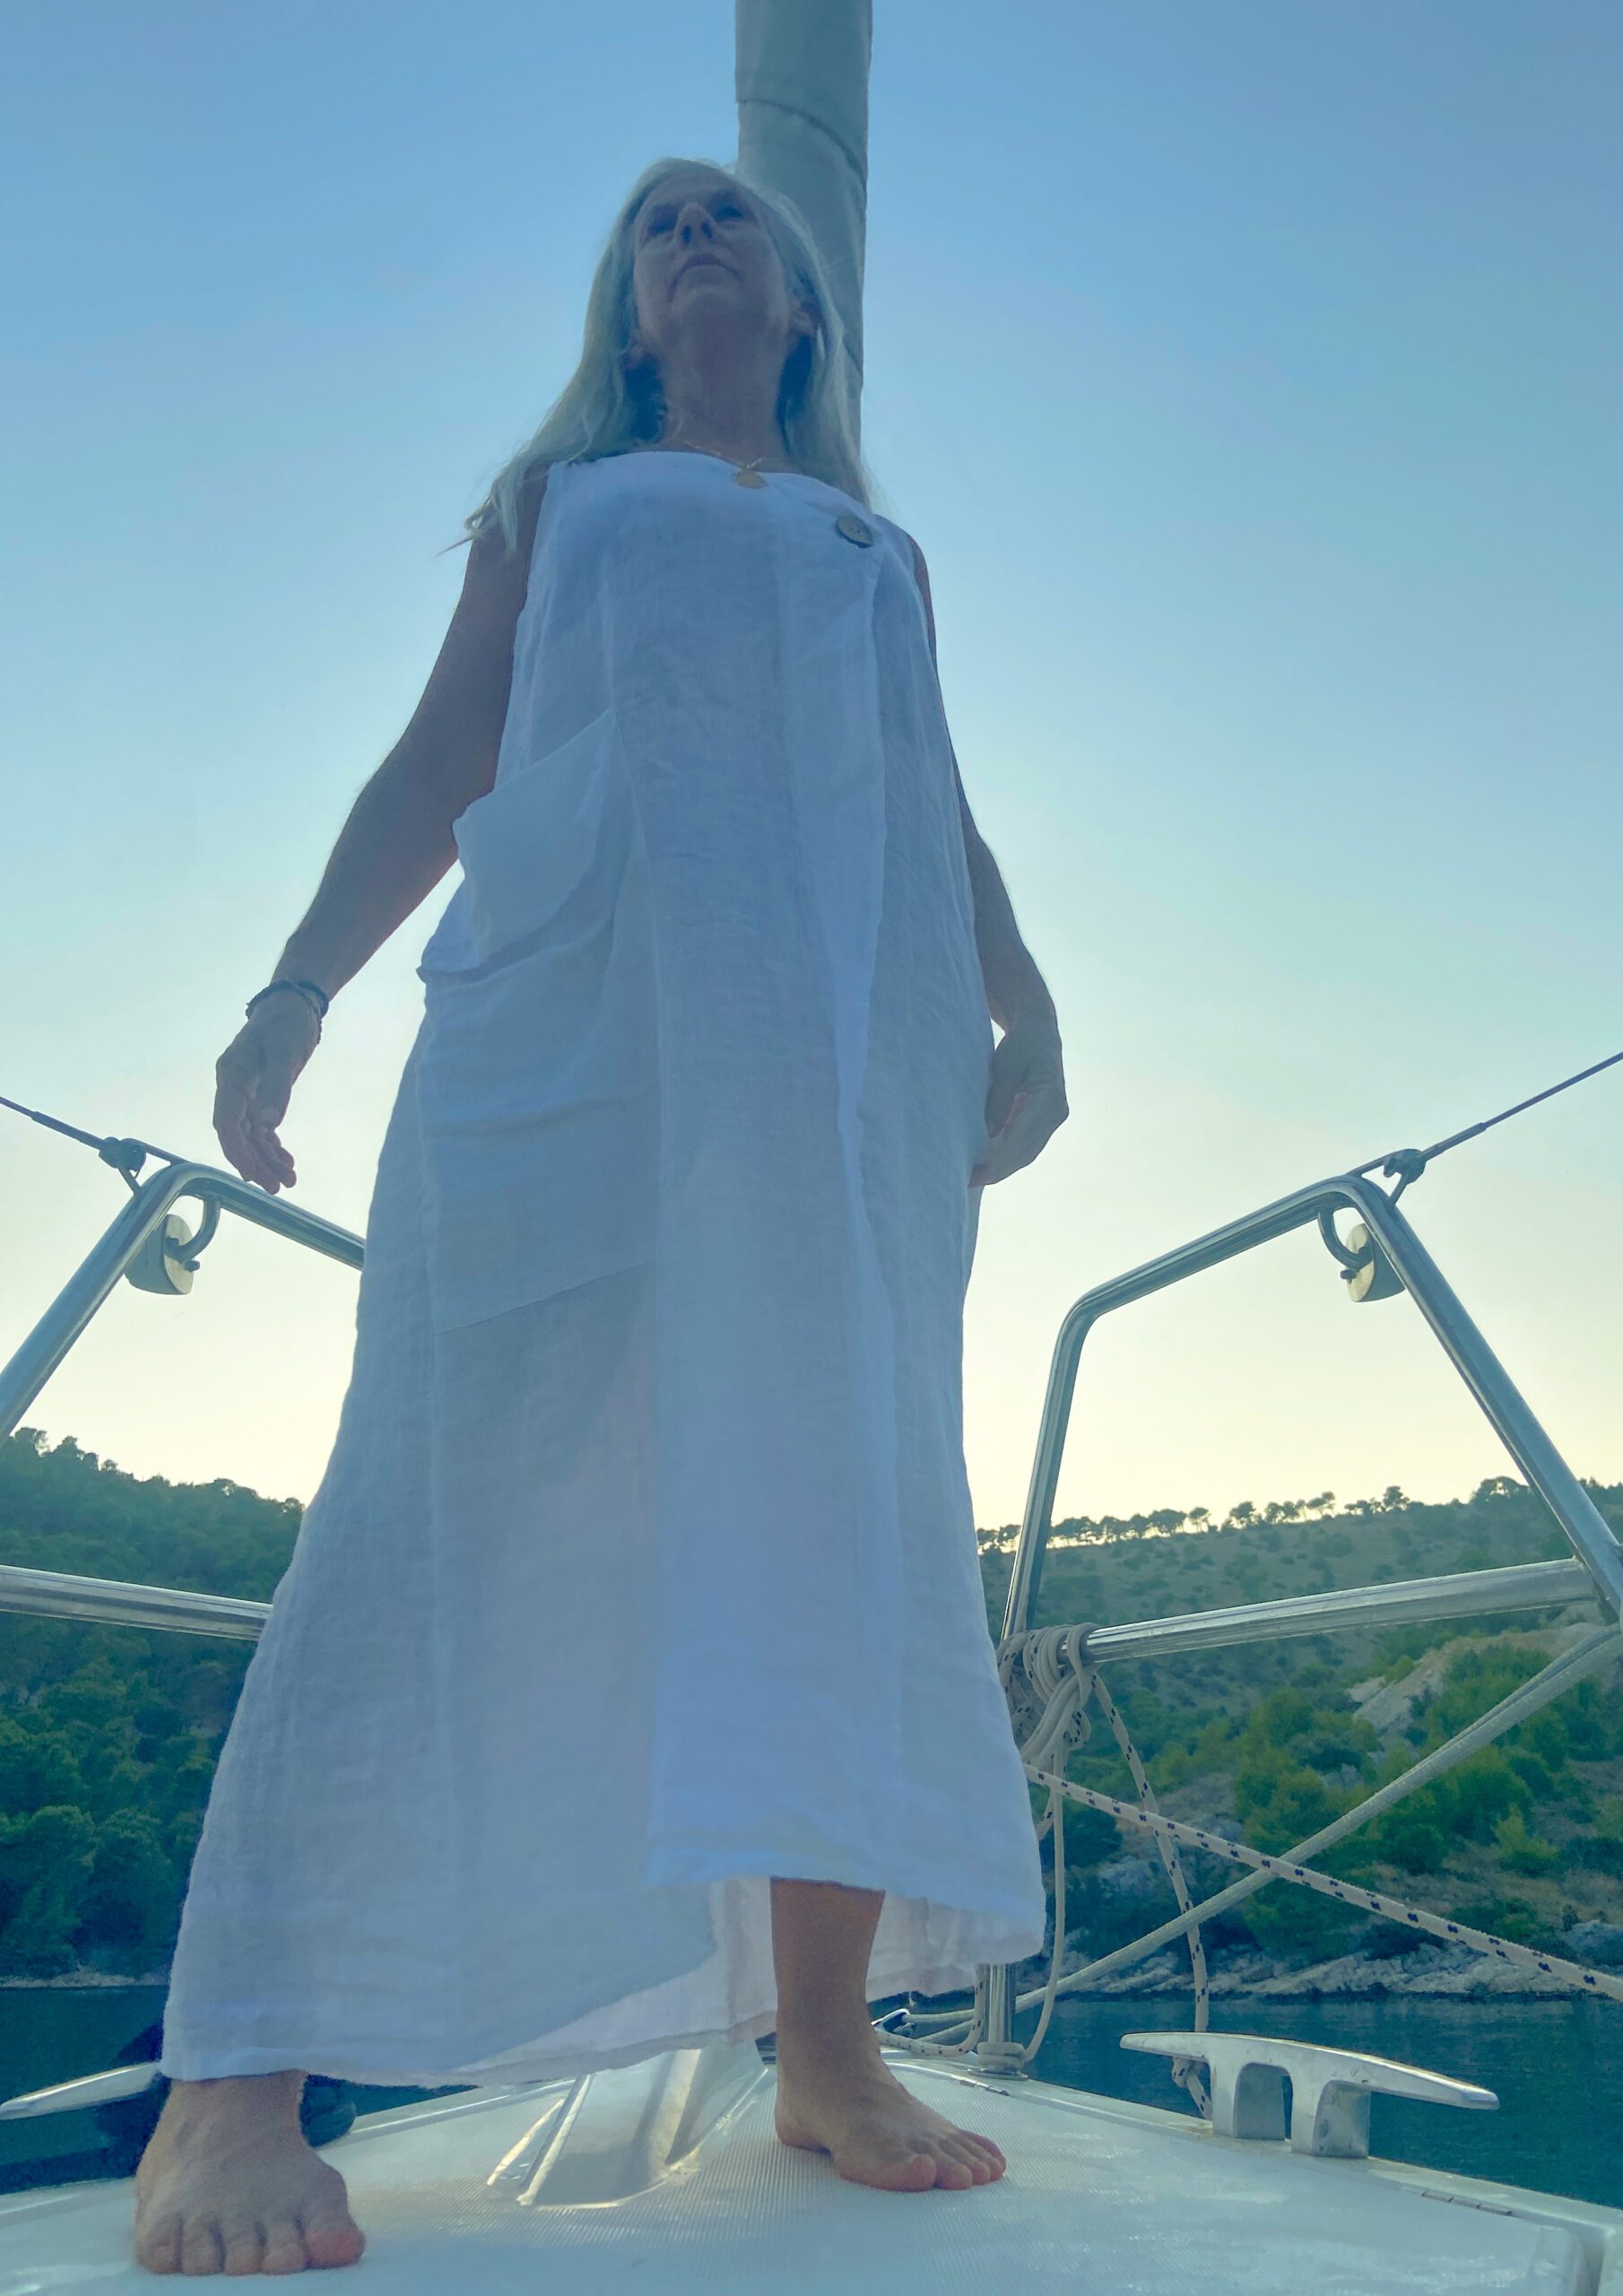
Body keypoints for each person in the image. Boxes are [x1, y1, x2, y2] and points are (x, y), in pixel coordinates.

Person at [131, 155, 1068, 2276]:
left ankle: (826, 2043)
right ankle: (237, 2073)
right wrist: (294, 989)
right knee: (449, 1468)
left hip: (850, 1064)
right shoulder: (560, 502)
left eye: (730, 216)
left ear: (803, 306)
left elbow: (932, 798)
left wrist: (1030, 1006)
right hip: (582, 1020)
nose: (694, 234)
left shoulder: (879, 549)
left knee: (836, 1501)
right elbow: (440, 755)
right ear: (629, 311)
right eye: (657, 225)